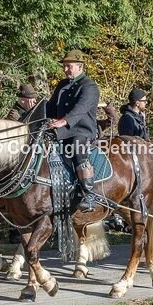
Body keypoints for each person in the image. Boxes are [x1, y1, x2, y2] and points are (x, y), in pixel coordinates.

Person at [47, 50, 101, 212]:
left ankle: (89, 195)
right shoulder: (62, 85)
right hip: (59, 129)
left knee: (77, 148)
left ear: (80, 66)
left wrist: (63, 121)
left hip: (81, 130)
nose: (65, 70)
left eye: (69, 66)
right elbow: (50, 107)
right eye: (64, 67)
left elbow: (81, 108)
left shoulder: (89, 86)